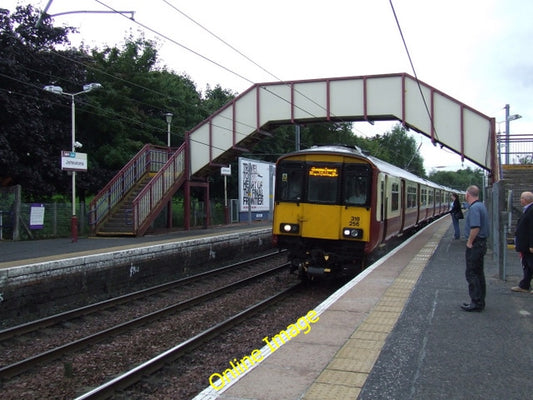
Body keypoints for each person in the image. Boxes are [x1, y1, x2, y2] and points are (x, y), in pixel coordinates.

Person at [461, 185, 490, 312]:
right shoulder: (481, 206)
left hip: (476, 244)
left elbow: (475, 227)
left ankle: (476, 302)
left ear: (468, 195)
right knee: (479, 273)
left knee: (472, 273)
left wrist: (469, 242)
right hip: (481, 244)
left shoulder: (474, 208)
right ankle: (480, 301)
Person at [511, 191, 533, 293]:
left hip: (528, 245)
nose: (520, 200)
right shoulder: (527, 209)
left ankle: (526, 285)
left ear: (525, 199)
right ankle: (524, 285)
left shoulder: (531, 210)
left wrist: (531, 244)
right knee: (527, 265)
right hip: (524, 245)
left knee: (530, 264)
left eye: (521, 198)